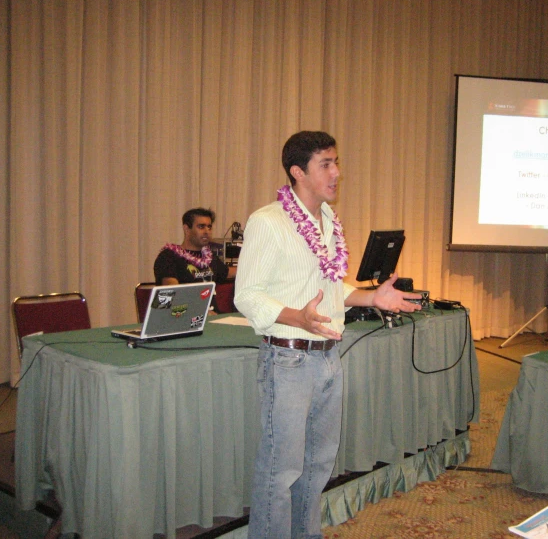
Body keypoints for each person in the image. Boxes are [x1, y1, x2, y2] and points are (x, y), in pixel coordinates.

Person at [234, 131, 421, 538]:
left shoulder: (328, 222)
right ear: (298, 172)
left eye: (336, 162)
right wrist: (295, 318)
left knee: (317, 466)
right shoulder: (268, 221)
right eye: (326, 164)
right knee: (279, 472)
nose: (336, 173)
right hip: (287, 359)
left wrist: (373, 298)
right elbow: (245, 295)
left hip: (327, 358)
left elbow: (334, 289)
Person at [153, 207, 236, 286]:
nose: (207, 231)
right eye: (201, 227)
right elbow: (172, 289)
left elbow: (229, 273)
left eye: (209, 227)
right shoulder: (168, 256)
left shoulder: (210, 257)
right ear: (187, 229)